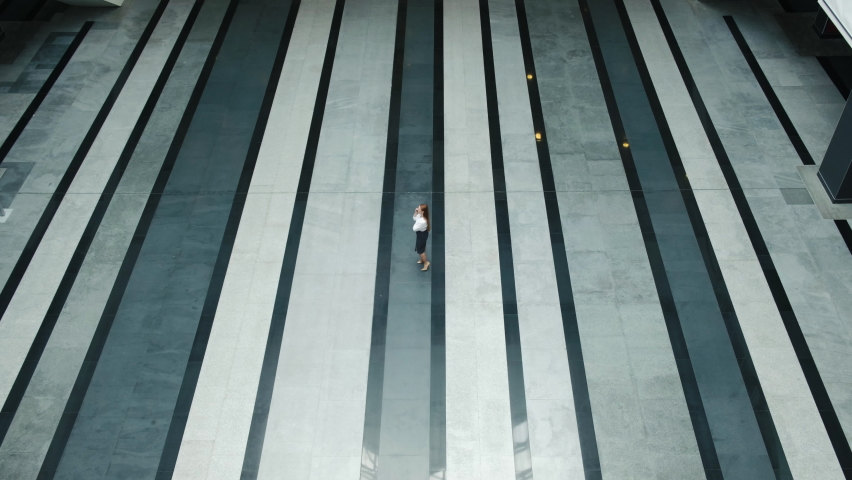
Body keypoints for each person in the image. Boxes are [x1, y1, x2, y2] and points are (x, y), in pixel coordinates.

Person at [413, 204, 430, 271]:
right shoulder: (420, 215)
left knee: (420, 250)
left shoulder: (422, 221)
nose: (417, 209)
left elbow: (414, 228)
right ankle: (422, 259)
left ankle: (426, 263)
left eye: (419, 209)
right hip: (421, 234)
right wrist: (416, 212)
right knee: (422, 247)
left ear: (423, 211)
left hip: (421, 235)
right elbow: (414, 218)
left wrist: (417, 221)